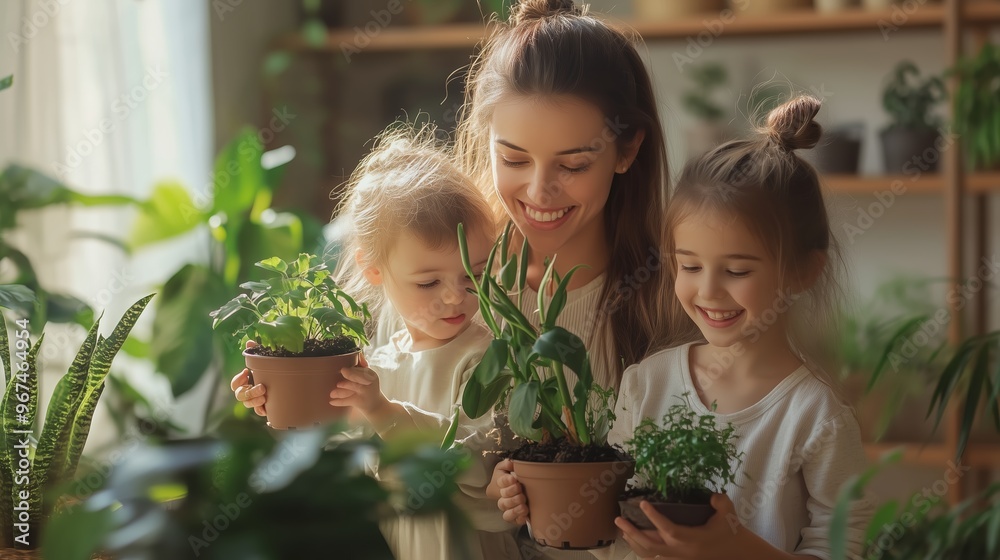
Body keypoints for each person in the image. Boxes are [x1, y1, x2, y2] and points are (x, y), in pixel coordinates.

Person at [499, 96, 873, 560]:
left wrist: (736, 549)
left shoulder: (816, 417)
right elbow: (607, 525)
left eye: (737, 271)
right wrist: (534, 497)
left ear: (803, 271)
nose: (708, 291)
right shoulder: (647, 382)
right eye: (690, 266)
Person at [454, 1, 688, 557]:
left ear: (628, 149)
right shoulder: (456, 284)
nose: (539, 192)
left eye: (574, 164)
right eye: (512, 158)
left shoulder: (675, 294)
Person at [231, 122, 517, 560]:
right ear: (373, 270)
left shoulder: (483, 358)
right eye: (427, 282)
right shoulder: (375, 364)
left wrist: (384, 411)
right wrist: (274, 398)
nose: (454, 296)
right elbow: (333, 449)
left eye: (473, 275)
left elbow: (479, 459)